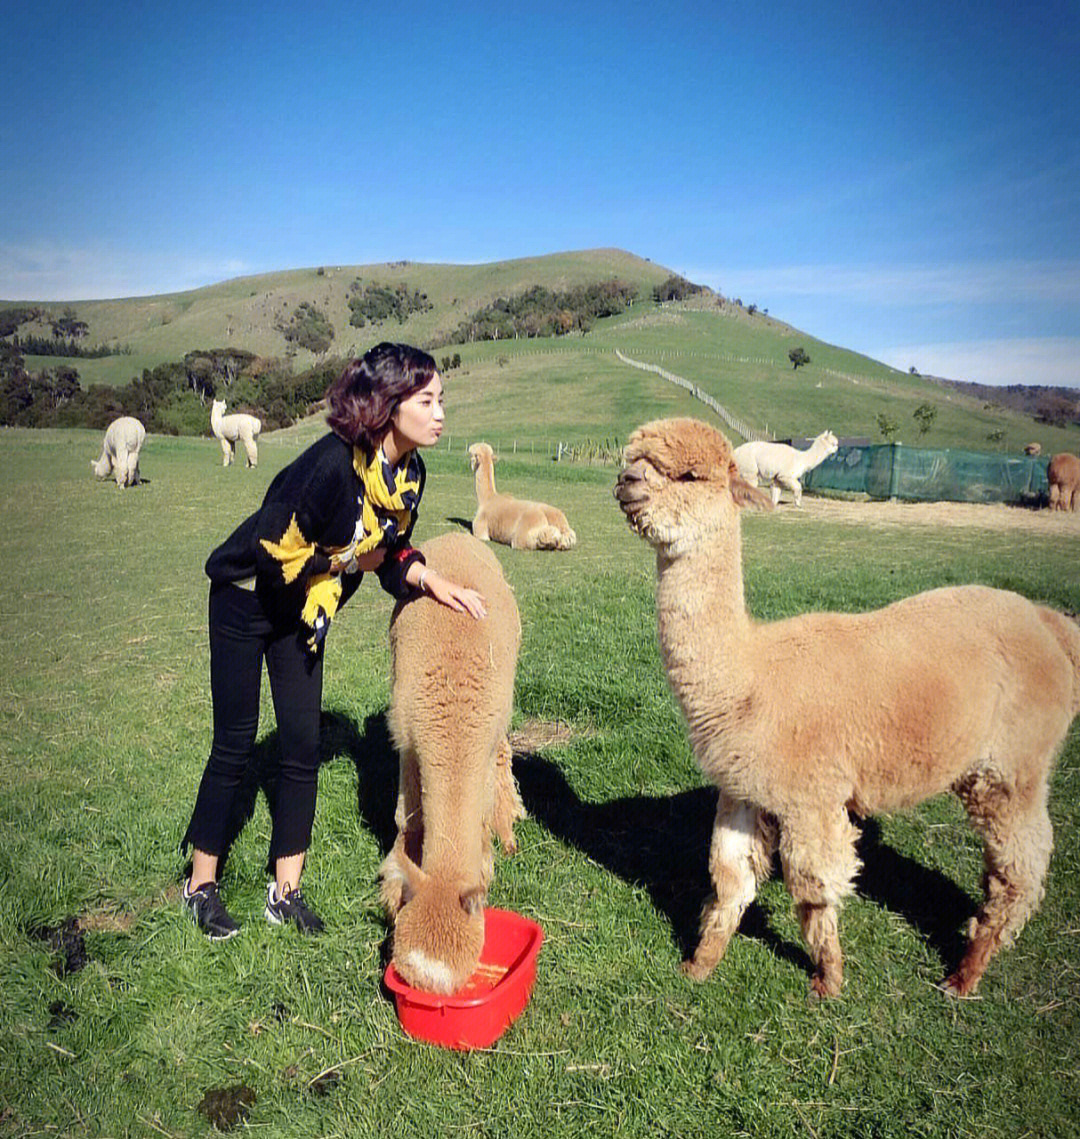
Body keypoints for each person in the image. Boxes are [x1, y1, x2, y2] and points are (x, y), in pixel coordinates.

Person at [180, 342, 486, 939]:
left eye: (441, 399)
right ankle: (200, 884)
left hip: (303, 611)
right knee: (236, 743)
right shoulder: (329, 466)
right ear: (390, 405)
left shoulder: (410, 478)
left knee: (301, 745)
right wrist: (348, 558)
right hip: (247, 597)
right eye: (427, 400)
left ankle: (284, 892)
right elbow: (276, 547)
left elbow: (390, 552)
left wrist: (428, 578)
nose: (440, 412)